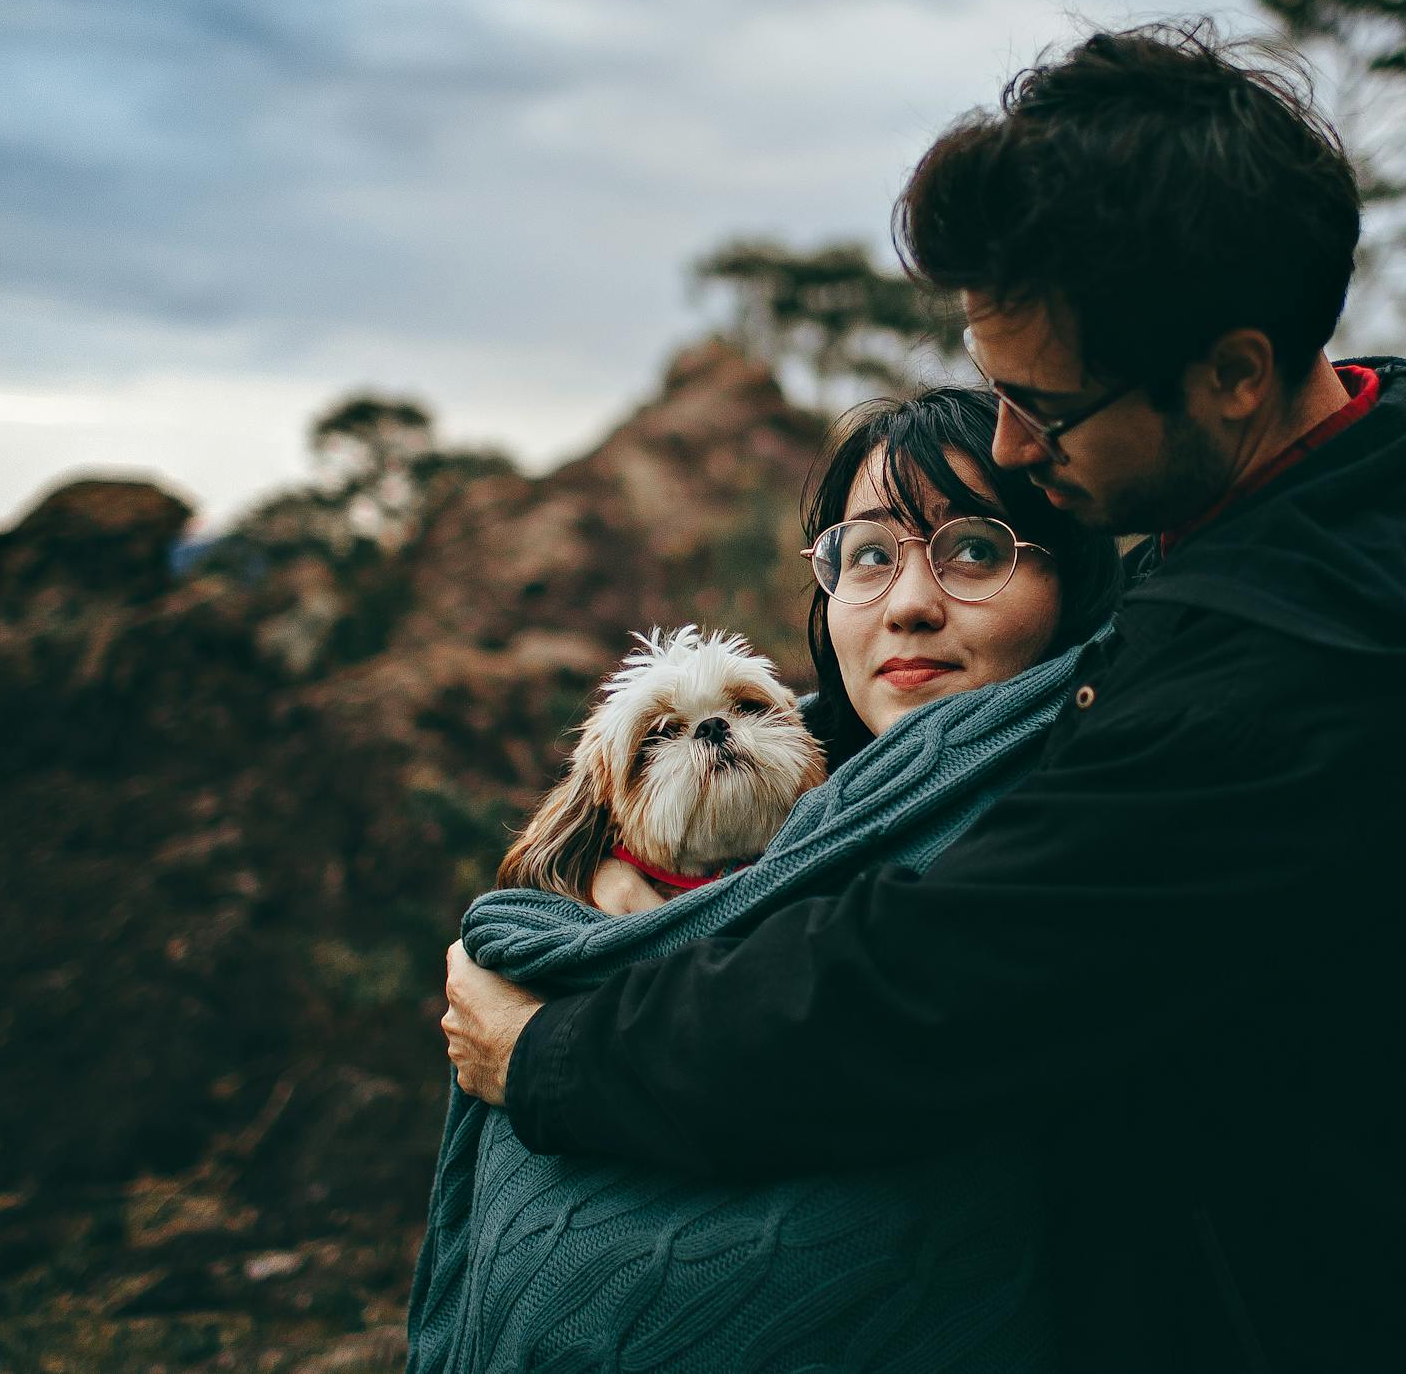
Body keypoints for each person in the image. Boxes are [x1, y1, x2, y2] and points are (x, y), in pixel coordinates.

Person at [443, 21, 1406, 1372]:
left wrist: (555, 1055)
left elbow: (922, 984)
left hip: (1374, 1310)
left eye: (1046, 406)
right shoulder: (1385, 490)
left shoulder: (1298, 671)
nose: (1014, 443)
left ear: (1235, 371)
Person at [410, 387, 1122, 1372]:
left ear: (1073, 577)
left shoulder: (1101, 796)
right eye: (868, 555)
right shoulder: (815, 791)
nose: (910, 602)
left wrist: (542, 1048)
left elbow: (863, 1024)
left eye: (975, 550)